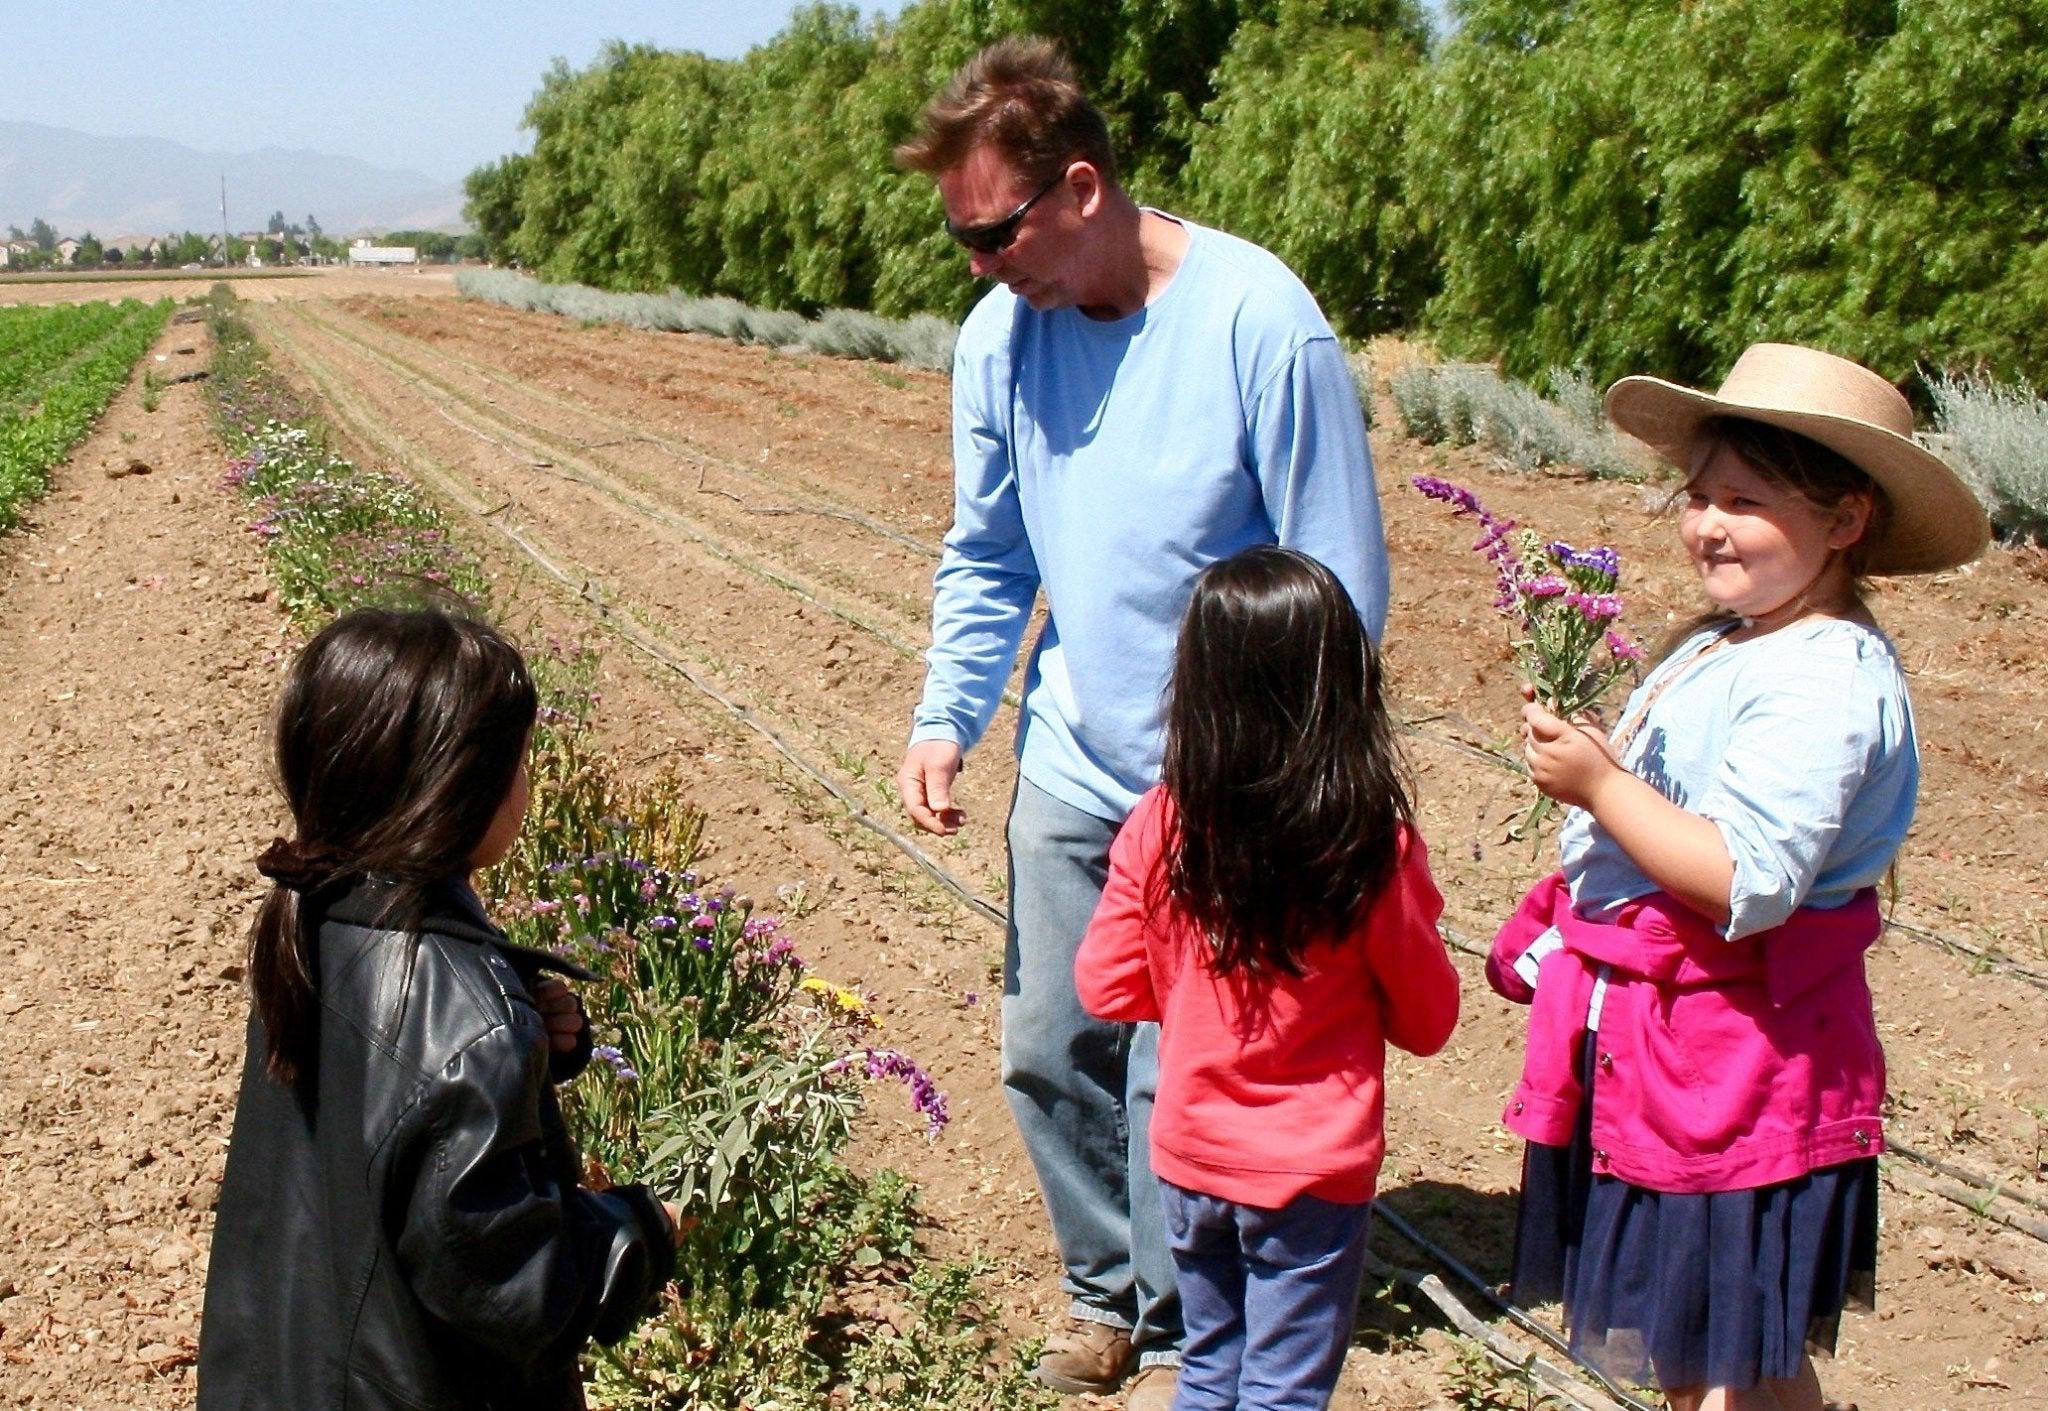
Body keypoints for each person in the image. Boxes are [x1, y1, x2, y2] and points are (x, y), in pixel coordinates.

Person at [891, 37, 1391, 1407]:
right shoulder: (1001, 340)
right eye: (962, 240)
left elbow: (1338, 582)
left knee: (1187, 1079)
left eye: (993, 233)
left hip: (1226, 793)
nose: (979, 267)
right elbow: (990, 553)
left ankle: (1187, 1330)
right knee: (1047, 1044)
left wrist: (1300, 797)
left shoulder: (1258, 325)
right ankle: (1101, 1289)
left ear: (1084, 188)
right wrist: (950, 712)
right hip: (1073, 759)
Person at [1490, 343, 1991, 1411]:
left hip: (1738, 1070)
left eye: (1743, 502)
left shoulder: (1820, 675)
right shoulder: (1733, 638)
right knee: (1719, 1353)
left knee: (1721, 1357)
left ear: (1842, 522)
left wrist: (1596, 785)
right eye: (1698, 496)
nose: (1707, 523)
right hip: (1680, 1058)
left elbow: (1743, 877)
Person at [199, 608, 679, 1411]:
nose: (528, 785)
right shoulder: (462, 1014)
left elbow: (376, 1125)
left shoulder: (315, 918)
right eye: (521, 762)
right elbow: (511, 1289)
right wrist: (635, 1230)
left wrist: (521, 1051)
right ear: (460, 784)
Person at [1074, 546, 1459, 1411]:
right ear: (1344, 688)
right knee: (1285, 1389)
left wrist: (1186, 990)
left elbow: (1104, 984)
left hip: (1192, 1156)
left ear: (1197, 683)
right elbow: (1428, 1021)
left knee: (1210, 1363)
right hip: (1311, 1171)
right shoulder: (1367, 846)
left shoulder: (1161, 826)